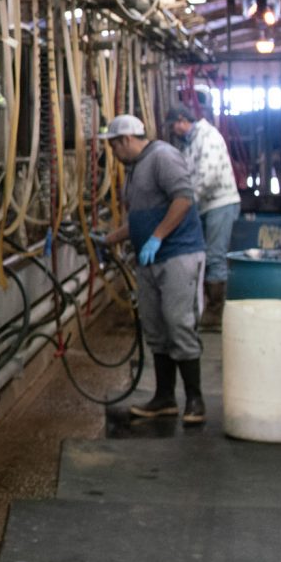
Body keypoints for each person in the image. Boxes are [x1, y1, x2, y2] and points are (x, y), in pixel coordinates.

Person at [100, 113, 207, 424]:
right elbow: (139, 220)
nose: (114, 154)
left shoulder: (163, 157)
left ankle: (195, 399)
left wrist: (157, 237)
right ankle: (164, 398)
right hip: (150, 258)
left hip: (178, 254)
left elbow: (184, 199)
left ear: (126, 140)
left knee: (179, 323)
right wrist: (110, 239)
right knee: (156, 327)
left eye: (114, 147)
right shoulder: (135, 170)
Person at [167, 103, 240, 330]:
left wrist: (186, 204)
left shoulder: (207, 137)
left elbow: (208, 177)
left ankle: (216, 313)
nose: (172, 131)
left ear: (181, 120)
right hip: (204, 205)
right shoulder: (188, 144)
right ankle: (206, 307)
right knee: (205, 257)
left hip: (220, 202)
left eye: (173, 126)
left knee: (215, 256)